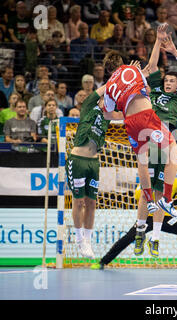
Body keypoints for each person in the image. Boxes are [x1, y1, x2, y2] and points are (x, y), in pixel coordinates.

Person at [102, 25, 177, 256]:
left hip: (130, 123)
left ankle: (149, 201)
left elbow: (108, 114)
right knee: (173, 151)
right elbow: (151, 66)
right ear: (122, 62)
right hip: (147, 118)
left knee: (142, 162)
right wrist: (158, 40)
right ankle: (166, 200)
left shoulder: (109, 86)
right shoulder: (131, 70)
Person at [126, 32, 177, 258]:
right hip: (150, 136)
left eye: (172, 81)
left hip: (166, 138)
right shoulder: (154, 91)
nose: (167, 83)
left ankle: (154, 238)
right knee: (147, 195)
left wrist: (174, 50)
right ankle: (139, 232)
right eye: (166, 80)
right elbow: (152, 64)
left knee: (158, 193)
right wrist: (157, 41)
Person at [90, 170, 177, 270]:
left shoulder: (174, 182)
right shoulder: (148, 180)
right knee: (129, 237)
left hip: (165, 218)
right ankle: (103, 262)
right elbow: (138, 196)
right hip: (148, 218)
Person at [65, 84, 108, 259]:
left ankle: (87, 242)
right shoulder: (90, 106)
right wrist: (119, 76)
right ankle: (78, 238)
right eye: (106, 98)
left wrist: (139, 78)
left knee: (91, 203)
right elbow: (104, 88)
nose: (109, 102)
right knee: (79, 202)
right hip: (78, 160)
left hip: (93, 163)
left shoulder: (108, 116)